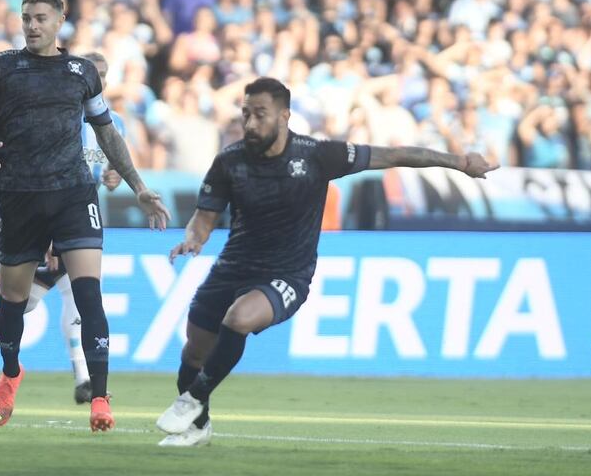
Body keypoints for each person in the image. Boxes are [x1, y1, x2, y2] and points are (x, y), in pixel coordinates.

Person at [155, 77, 497, 447]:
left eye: (260, 115)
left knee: (238, 318)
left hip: (287, 273)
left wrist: (460, 161)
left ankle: (190, 400)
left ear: (284, 115)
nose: (251, 124)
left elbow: (394, 155)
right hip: (232, 266)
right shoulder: (229, 161)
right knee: (194, 350)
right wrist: (193, 237)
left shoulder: (317, 155)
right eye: (246, 114)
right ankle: (198, 427)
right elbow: (205, 216)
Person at [0, 0, 170, 432]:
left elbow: (108, 133)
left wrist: (139, 188)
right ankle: (11, 372)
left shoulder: (81, 71)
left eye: (40, 18)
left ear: (59, 21)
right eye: (26, 17)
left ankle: (100, 397)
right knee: (12, 302)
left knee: (89, 296)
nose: (32, 25)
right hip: (19, 197)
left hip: (74, 194)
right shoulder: (0, 67)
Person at [0, 51, 127, 406]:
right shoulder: (63, 115)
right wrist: (51, 234)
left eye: (106, 75)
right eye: (100, 73)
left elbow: (108, 169)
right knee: (23, 304)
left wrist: (115, 178)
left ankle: (87, 384)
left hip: (77, 215)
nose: (103, 81)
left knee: (75, 303)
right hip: (43, 215)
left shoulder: (114, 122)